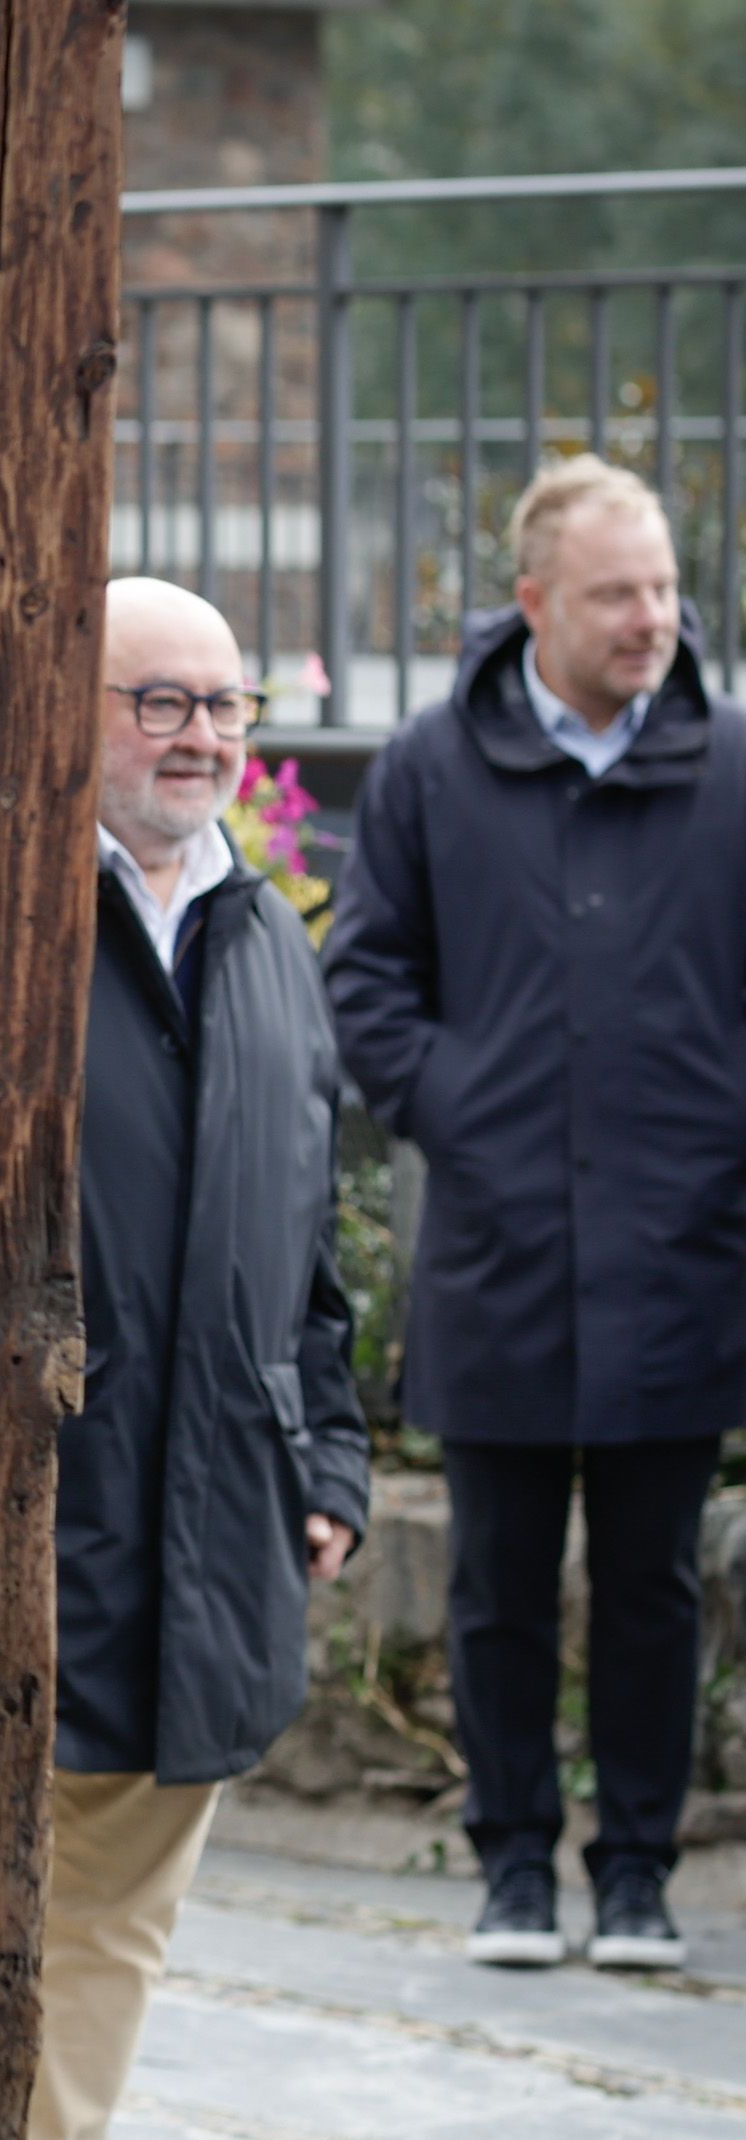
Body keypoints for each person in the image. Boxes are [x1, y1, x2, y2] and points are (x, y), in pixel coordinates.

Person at [326, 454, 746, 1976]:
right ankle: (512, 1866)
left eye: (662, 589)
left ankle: (634, 1873)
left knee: (650, 1582)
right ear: (534, 604)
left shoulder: (730, 763)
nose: (650, 620)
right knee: (498, 1583)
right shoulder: (434, 765)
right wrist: (468, 1113)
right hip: (500, 1249)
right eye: (616, 593)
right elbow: (364, 978)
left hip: (680, 1253)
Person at [29, 579, 371, 2140]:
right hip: (21, 1519)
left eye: (223, 704)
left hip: (215, 1518)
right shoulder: (4, 923)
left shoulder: (263, 940)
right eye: (154, 700)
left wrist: (324, 1469)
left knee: (113, 1920)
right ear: (66, 711)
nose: (199, 735)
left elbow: (303, 1257)